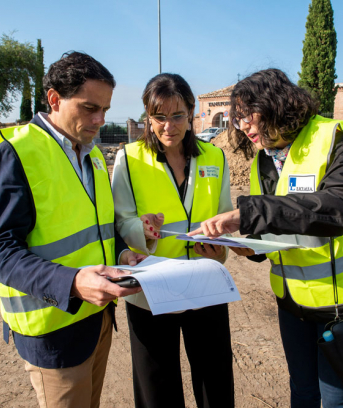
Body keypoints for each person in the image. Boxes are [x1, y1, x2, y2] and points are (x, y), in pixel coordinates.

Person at [189, 69, 343, 408]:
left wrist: (248, 215)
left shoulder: (336, 137)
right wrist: (241, 246)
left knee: (336, 398)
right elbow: (269, 237)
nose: (244, 127)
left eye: (248, 115)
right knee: (304, 391)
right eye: (238, 121)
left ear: (274, 104)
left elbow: (340, 206)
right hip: (293, 302)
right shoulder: (262, 163)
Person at [0, 51, 145, 408]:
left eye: (105, 109)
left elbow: (98, 225)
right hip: (52, 330)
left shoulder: (94, 154)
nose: (100, 119)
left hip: (97, 320)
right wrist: (71, 283)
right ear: (54, 99)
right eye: (90, 108)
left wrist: (121, 251)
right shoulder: (16, 152)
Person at [111, 73, 234, 408]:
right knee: (157, 386)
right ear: (148, 118)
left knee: (215, 382)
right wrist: (142, 229)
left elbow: (223, 216)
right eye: (159, 117)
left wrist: (219, 251)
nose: (169, 126)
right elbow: (120, 221)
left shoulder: (214, 157)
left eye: (178, 115)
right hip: (150, 290)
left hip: (206, 285)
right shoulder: (129, 159)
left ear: (191, 112)